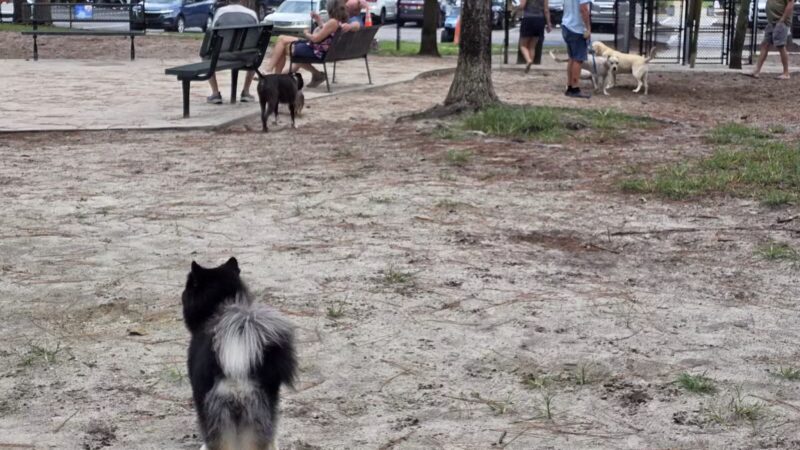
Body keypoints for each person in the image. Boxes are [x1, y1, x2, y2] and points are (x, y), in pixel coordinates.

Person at [264, 0, 349, 88]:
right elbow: (325, 31)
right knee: (281, 39)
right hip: (318, 48)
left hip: (316, 50)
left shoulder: (332, 22)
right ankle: (276, 77)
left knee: (282, 44)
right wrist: (319, 20)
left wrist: (306, 33)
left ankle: (271, 73)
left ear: (331, 9)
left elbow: (315, 39)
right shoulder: (336, 22)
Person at [206, 0, 259, 104]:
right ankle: (246, 91)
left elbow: (213, 33)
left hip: (223, 55)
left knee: (206, 57)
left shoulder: (220, 12)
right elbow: (256, 36)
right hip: (246, 55)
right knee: (255, 54)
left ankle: (215, 93)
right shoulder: (252, 14)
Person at [750, 0, 794, 79]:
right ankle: (756, 71)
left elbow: (790, 4)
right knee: (765, 45)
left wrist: (782, 19)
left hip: (781, 22)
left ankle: (786, 73)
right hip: (771, 22)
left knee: (780, 46)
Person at [560, 0, 592, 97]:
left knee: (572, 58)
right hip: (576, 28)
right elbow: (584, 9)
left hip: (566, 25)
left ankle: (569, 86)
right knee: (578, 59)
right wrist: (588, 28)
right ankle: (575, 88)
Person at [517, 0, 552, 73]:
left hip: (528, 19)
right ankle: (529, 65)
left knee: (523, 45)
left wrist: (516, 8)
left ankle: (528, 60)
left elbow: (522, 5)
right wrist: (548, 23)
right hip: (539, 20)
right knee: (532, 46)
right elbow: (546, 10)